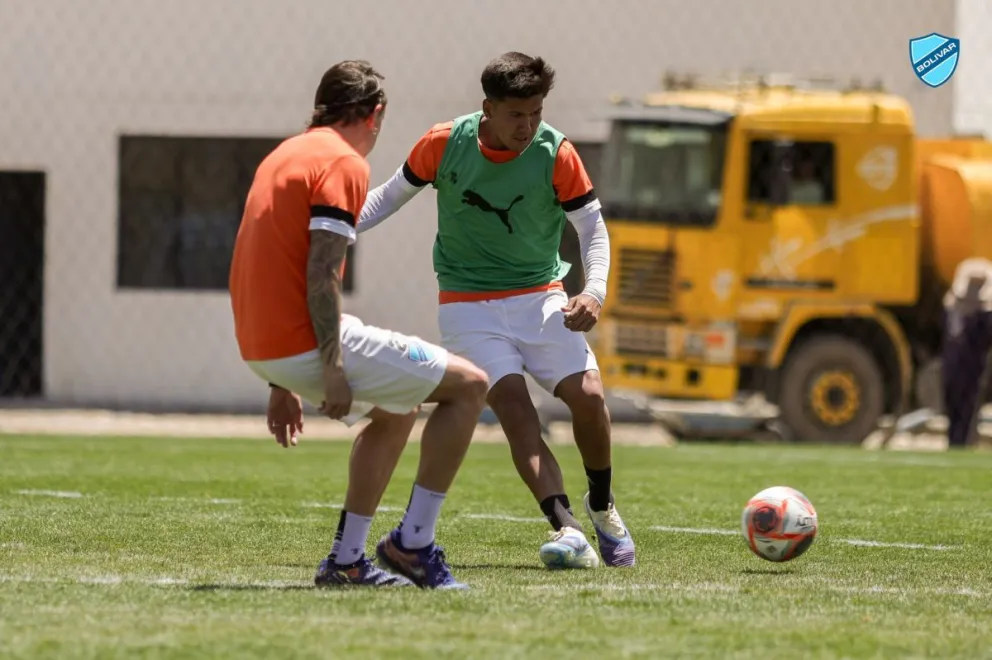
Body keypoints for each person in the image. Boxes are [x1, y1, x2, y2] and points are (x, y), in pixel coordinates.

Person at [357, 52, 635, 569]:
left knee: (591, 397)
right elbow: (388, 198)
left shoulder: (557, 153)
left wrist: (592, 292)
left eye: (535, 113)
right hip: (468, 305)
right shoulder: (444, 143)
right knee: (514, 410)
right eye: (515, 115)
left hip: (541, 295)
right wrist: (330, 227)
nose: (527, 125)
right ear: (487, 108)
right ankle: (568, 528)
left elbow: (592, 230)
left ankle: (602, 506)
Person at [228, 60, 489, 589]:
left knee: (398, 411)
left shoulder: (284, 155)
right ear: (376, 115)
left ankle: (347, 562)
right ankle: (413, 544)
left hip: (260, 345)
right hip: (301, 341)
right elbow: (321, 272)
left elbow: (269, 262)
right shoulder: (344, 162)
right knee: (470, 386)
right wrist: (332, 368)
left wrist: (279, 380)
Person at [941, 258, 992, 449]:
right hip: (956, 365)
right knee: (954, 404)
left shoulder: (985, 315)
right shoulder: (953, 310)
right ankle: (956, 441)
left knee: (969, 406)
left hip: (973, 368)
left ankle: (964, 442)